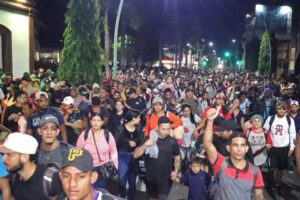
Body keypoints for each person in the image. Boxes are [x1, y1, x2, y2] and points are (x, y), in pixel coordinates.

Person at [203, 107, 264, 200]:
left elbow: (259, 196)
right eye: (235, 145)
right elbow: (207, 143)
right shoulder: (221, 163)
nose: (239, 149)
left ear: (247, 148)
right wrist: (210, 121)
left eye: (242, 145)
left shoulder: (255, 171)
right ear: (228, 148)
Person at [133, 116, 181, 200]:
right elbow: (135, 155)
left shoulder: (172, 141)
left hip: (166, 179)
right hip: (151, 178)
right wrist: (145, 145)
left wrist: (176, 171)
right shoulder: (148, 138)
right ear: (157, 127)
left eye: (168, 129)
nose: (166, 132)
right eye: (163, 129)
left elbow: (177, 157)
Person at [0, 132, 58, 199]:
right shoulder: (14, 178)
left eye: (9, 154)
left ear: (24, 157)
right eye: (3, 154)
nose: (3, 158)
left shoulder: (52, 179)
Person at [76, 112, 118, 189]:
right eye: (94, 120)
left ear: (102, 122)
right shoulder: (84, 135)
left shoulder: (107, 135)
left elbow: (113, 152)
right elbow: (78, 152)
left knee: (100, 190)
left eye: (98, 120)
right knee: (89, 190)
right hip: (88, 168)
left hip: (103, 168)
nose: (96, 123)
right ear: (90, 121)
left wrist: (115, 167)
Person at [263, 101, 296, 190]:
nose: (281, 110)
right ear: (276, 109)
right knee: (272, 167)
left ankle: (277, 184)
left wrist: (292, 147)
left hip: (284, 147)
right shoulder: (271, 118)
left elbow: (292, 134)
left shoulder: (289, 120)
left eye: (283, 108)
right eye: (279, 108)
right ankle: (271, 182)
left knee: (280, 168)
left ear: (286, 109)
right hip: (272, 147)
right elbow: (265, 130)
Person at [115, 110, 143, 199]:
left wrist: (135, 143)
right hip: (122, 155)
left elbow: (140, 140)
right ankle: (122, 195)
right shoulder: (120, 128)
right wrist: (128, 142)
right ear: (133, 118)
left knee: (132, 181)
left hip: (133, 156)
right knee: (122, 180)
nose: (139, 119)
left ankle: (131, 197)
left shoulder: (138, 128)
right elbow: (116, 142)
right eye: (138, 118)